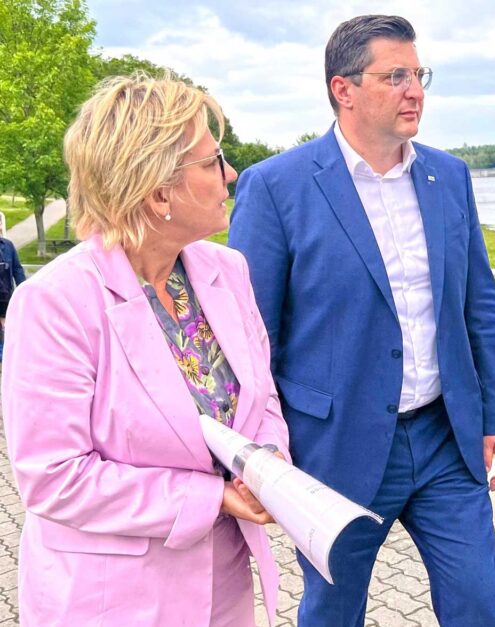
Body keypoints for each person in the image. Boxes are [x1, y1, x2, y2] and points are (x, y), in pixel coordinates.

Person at [228, 14, 495, 627]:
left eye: (419, 75)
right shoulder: (277, 187)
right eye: (396, 76)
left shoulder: (449, 176)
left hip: (445, 438)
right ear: (345, 89)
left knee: (479, 603)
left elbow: (479, 307)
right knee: (335, 610)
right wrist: (260, 450)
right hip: (336, 447)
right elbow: (251, 338)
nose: (415, 90)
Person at [1, 75, 290, 626]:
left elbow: (262, 396)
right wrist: (212, 499)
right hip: (113, 600)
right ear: (159, 192)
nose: (231, 174)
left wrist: (268, 462)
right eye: (212, 162)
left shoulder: (227, 271)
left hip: (223, 584)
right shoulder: (54, 303)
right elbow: (53, 477)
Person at [0, 213, 27, 352]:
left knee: (7, 336)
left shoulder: (8, 246)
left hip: (5, 299)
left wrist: (24, 292)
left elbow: (17, 270)